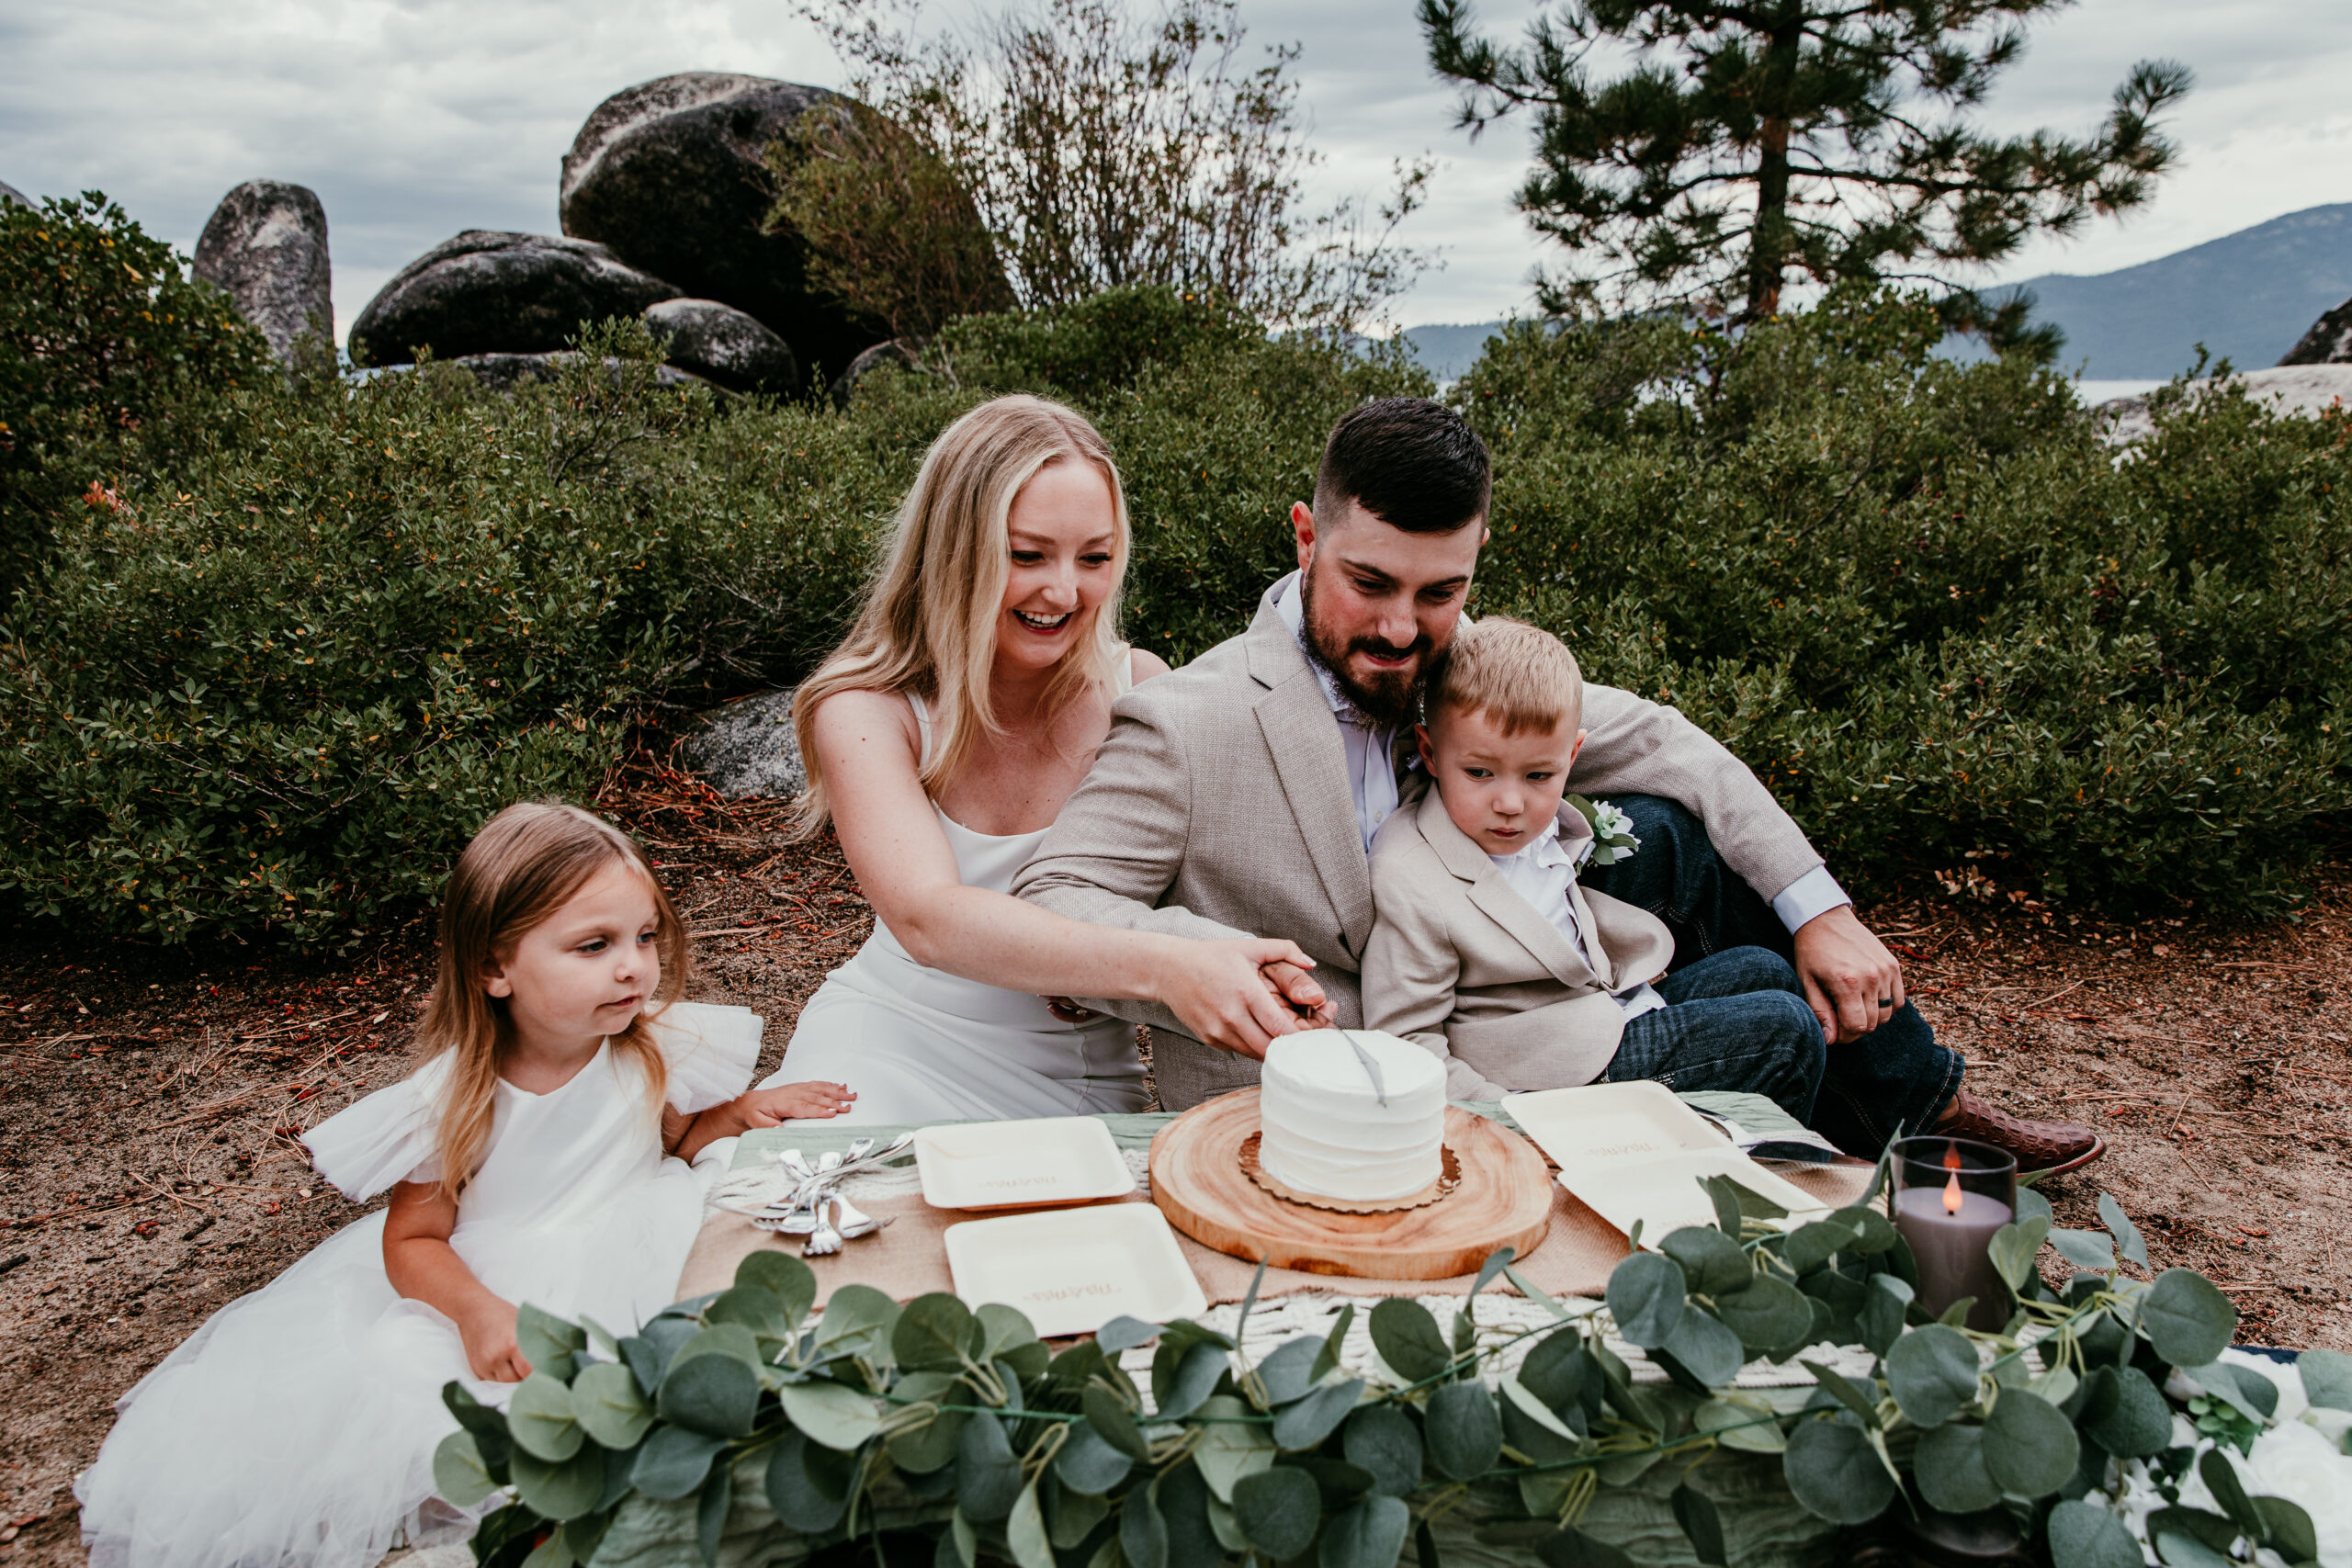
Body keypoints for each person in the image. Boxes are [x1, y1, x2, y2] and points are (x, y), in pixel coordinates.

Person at [1015, 395, 2102, 1170]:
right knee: (1743, 976)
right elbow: (1052, 899)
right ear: (1306, 538)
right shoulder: (1190, 722)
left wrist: (1824, 910)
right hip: (1357, 1077)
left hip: (1520, 984)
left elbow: (1667, 740)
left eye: (1439, 592)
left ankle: (1914, 1105)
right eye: (1369, 583)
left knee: (1669, 829)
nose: (1400, 629)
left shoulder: (1464, 663)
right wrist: (1193, 961)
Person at [75, 802, 852, 1568]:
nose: (633, 966)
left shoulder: (649, 1044)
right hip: (506, 1279)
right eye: (594, 945)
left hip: (650, 1233)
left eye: (644, 936)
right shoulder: (453, 1099)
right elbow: (414, 1238)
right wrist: (478, 1313)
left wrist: (737, 1114)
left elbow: (669, 1143)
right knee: (453, 1407)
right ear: (493, 967)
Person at [758, 394, 1323, 1122]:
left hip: (1080, 1074)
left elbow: (1212, 890)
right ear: (954, 549)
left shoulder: (1140, 688)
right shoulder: (869, 708)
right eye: (1027, 555)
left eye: (1095, 557)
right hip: (890, 1044)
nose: (1063, 590)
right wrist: (1163, 965)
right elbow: (929, 918)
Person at [1363, 615, 1828, 1122]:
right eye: (1479, 772)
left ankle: (1738, 1131)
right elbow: (1405, 1043)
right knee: (1785, 1034)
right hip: (1538, 1078)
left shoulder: (1525, 822)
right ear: (1430, 752)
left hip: (1591, 1014)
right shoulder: (1411, 874)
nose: (1511, 803)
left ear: (1572, 757)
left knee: (1764, 969)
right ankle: (1767, 1155)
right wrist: (1515, 1122)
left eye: (1539, 775)